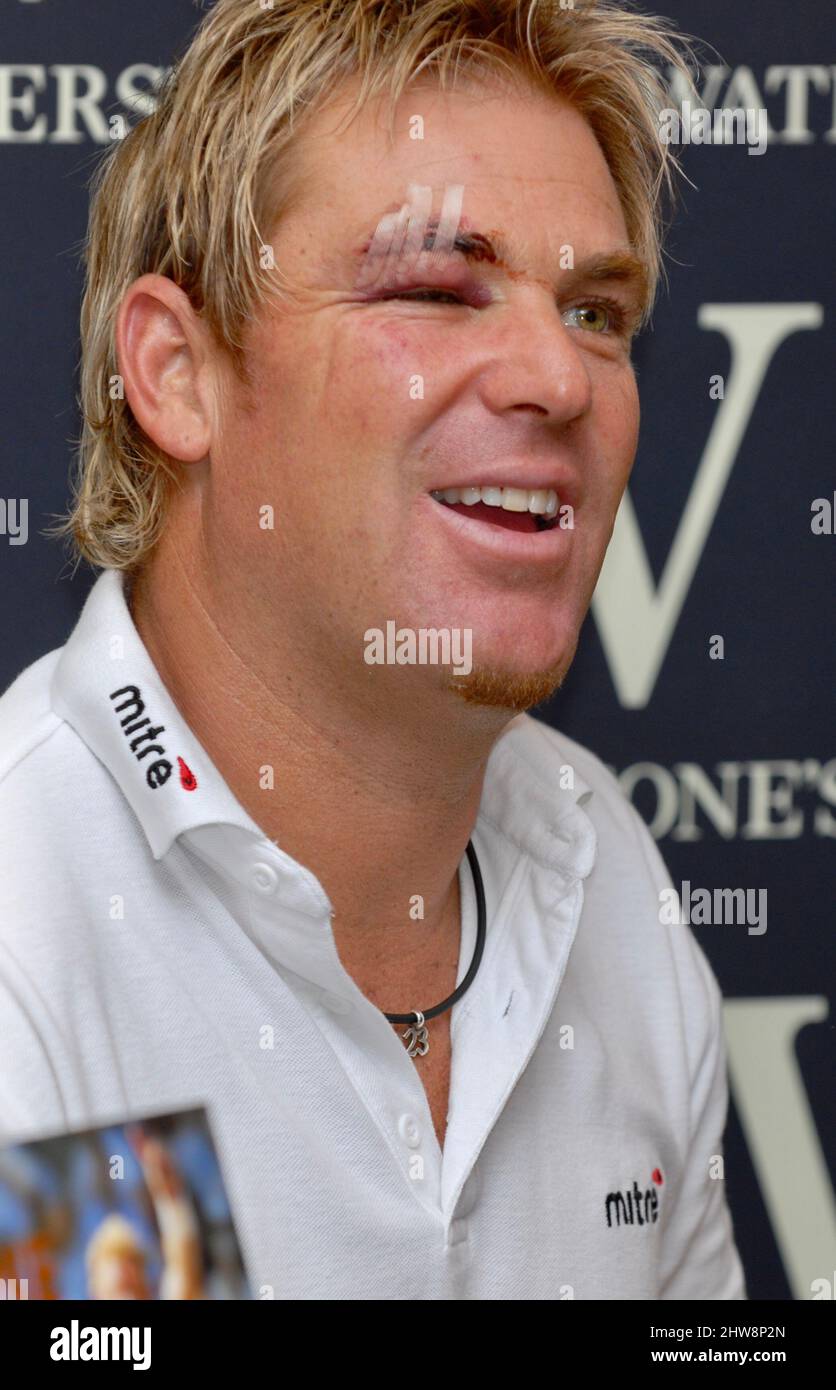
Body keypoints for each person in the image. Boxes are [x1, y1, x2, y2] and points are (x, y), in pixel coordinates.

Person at [0, 0, 746, 1298]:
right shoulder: (30, 918)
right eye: (437, 287)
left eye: (596, 311)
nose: (559, 379)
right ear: (177, 373)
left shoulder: (604, 863)